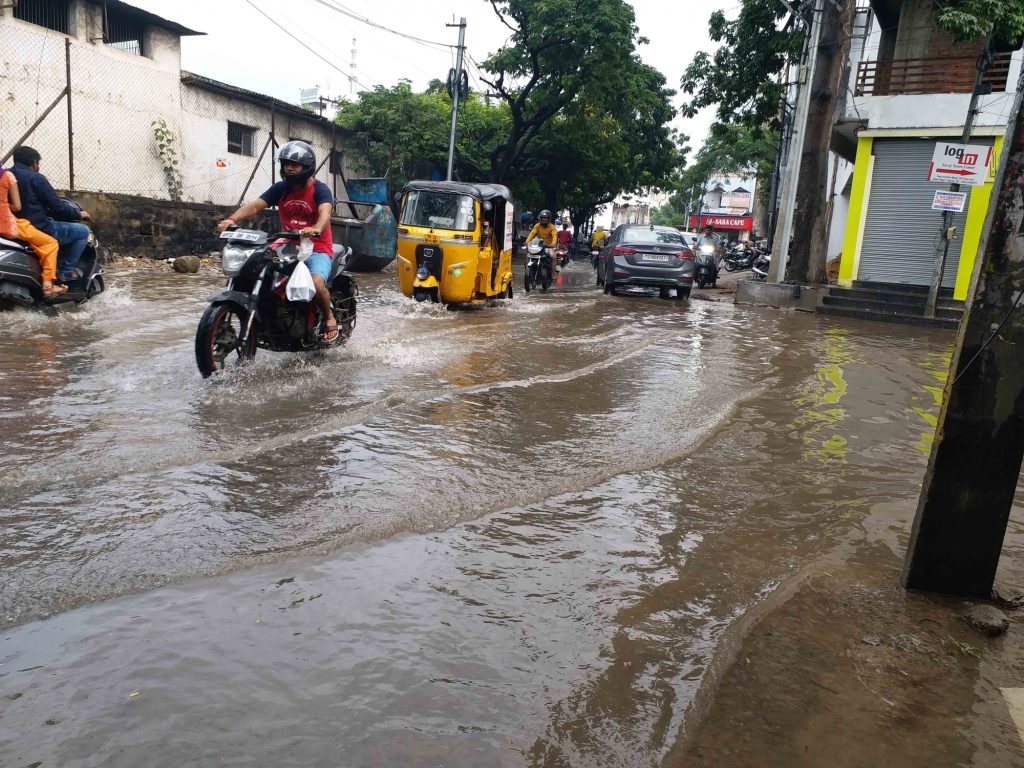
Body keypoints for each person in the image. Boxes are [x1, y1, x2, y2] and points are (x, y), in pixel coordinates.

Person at [217, 141, 339, 342]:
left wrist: (316, 228)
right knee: (253, 267)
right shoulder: (281, 189)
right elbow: (256, 206)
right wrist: (232, 219)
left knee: (316, 282)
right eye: (286, 164)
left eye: (295, 164)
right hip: (287, 244)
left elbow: (325, 210)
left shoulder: (320, 189)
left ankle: (328, 317)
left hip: (317, 248)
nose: (289, 168)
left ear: (306, 167)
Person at [10, 146, 91, 284]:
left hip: (10, 226)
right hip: (37, 227)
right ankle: (66, 272)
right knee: (83, 231)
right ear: (34, 163)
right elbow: (57, 206)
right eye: (38, 163)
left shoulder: (6, 175)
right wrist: (78, 214)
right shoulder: (36, 178)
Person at [3, 164, 66, 299]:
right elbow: (17, 206)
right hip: (7, 224)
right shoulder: (8, 176)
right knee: (50, 243)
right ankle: (48, 285)